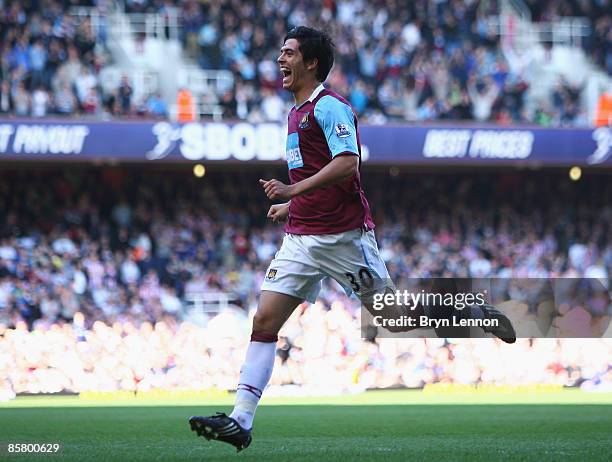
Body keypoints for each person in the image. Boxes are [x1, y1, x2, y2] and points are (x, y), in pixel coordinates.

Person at [188, 26, 515, 452]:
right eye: (280, 53)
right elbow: (315, 174)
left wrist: (291, 192)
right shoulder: (294, 112)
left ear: (311, 63)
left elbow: (347, 163)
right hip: (301, 238)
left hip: (344, 239)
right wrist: (293, 206)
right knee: (264, 321)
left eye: (288, 53)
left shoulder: (330, 107)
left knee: (396, 319)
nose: (280, 60)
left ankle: (475, 314)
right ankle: (241, 420)